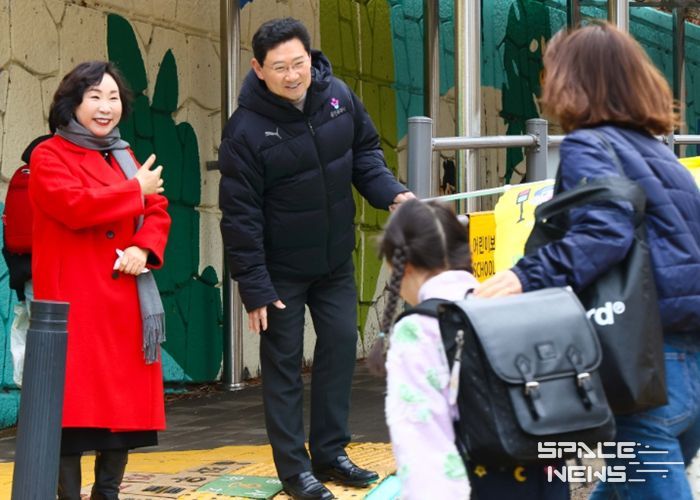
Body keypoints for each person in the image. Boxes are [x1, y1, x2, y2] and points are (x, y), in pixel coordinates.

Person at [476, 23, 700, 500]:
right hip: (687, 359)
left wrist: (523, 277)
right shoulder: (660, 155)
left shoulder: (589, 145)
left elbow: (604, 229)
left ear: (572, 80)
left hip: (642, 364)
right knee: (621, 487)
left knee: (639, 478)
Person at [218, 17, 414, 500]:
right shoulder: (245, 130)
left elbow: (364, 154)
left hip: (334, 260)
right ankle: (295, 471)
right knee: (283, 367)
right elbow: (240, 215)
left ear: (311, 58)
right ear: (258, 69)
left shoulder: (338, 97)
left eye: (298, 63)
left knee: (341, 346)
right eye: (279, 67)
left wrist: (392, 194)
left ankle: (330, 453)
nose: (292, 76)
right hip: (279, 271)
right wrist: (254, 286)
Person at [29, 61, 170, 499]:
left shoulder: (124, 154)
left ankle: (107, 493)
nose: (106, 107)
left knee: (121, 414)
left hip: (124, 302)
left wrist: (143, 247)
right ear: (72, 103)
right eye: (95, 97)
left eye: (113, 98)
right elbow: (74, 206)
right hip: (75, 302)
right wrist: (135, 191)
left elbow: (157, 209)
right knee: (68, 414)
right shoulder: (48, 154)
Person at [371, 199, 569, 500]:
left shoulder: (419, 328)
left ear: (403, 267)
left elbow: (423, 444)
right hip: (544, 480)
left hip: (477, 484)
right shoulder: (510, 304)